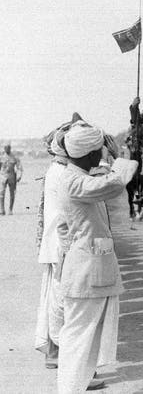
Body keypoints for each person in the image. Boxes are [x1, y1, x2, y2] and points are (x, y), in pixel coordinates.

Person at [56, 122, 138, 392]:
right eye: (98, 150)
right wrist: (118, 158)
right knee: (79, 342)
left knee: (83, 344)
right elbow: (114, 184)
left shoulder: (75, 175)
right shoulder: (75, 181)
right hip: (86, 272)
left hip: (86, 268)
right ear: (90, 154)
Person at [34, 121, 74, 369]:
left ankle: (54, 352)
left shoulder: (57, 170)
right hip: (62, 247)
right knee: (61, 301)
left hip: (56, 245)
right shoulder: (62, 173)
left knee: (54, 298)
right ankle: (62, 355)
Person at [0, 144, 23, 215]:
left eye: (8, 148)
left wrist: (19, 176)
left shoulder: (14, 157)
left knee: (12, 194)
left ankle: (10, 209)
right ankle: (2, 210)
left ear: (10, 149)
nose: (6, 149)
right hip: (3, 176)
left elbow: (20, 168)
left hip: (12, 177)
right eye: (5, 148)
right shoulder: (1, 157)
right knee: (1, 193)